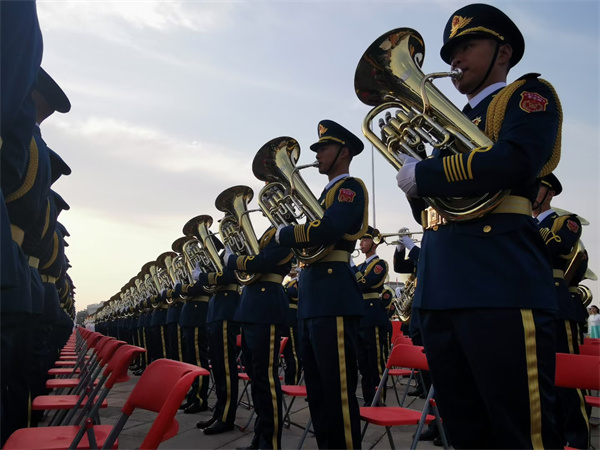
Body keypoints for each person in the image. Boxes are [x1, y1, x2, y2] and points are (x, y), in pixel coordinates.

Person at [395, 4, 563, 448]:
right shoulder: (448, 126)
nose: (456, 57)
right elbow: (434, 210)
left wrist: (427, 173)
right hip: (442, 287)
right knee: (464, 430)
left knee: (520, 433)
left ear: (502, 53)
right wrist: (415, 180)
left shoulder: (527, 97)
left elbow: (516, 160)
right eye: (452, 50)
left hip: (499, 284)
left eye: (468, 45)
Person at [276, 119, 368, 449]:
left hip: (333, 297)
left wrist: (286, 233)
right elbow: (314, 235)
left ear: (343, 152)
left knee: (337, 390)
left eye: (323, 148)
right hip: (313, 298)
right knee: (316, 391)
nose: (317, 155)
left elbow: (330, 228)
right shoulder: (324, 194)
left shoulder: (349, 188)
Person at [533, 173, 590, 448]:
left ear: (550, 193)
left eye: (537, 186)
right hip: (529, 303)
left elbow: (554, 245)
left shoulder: (565, 221)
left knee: (567, 379)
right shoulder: (523, 223)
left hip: (557, 305)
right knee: (539, 379)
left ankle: (577, 441)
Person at [224, 225, 293, 449]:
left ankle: (270, 443)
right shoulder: (267, 235)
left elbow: (262, 261)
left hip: (266, 307)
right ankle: (260, 438)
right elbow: (254, 261)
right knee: (256, 379)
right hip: (252, 307)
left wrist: (233, 260)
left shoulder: (285, 231)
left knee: (266, 380)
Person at [353, 226, 389, 406]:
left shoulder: (380, 264)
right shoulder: (360, 266)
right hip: (360, 315)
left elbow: (365, 284)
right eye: (361, 240)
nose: (361, 243)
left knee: (375, 360)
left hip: (373, 315)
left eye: (365, 240)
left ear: (374, 243)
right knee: (363, 362)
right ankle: (369, 399)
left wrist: (351, 267)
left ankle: (378, 399)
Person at [282, 265, 302, 385]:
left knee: (294, 353)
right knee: (289, 353)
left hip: (293, 319)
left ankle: (293, 380)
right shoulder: (289, 283)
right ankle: (289, 380)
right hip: (287, 319)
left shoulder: (298, 281)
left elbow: (294, 293)